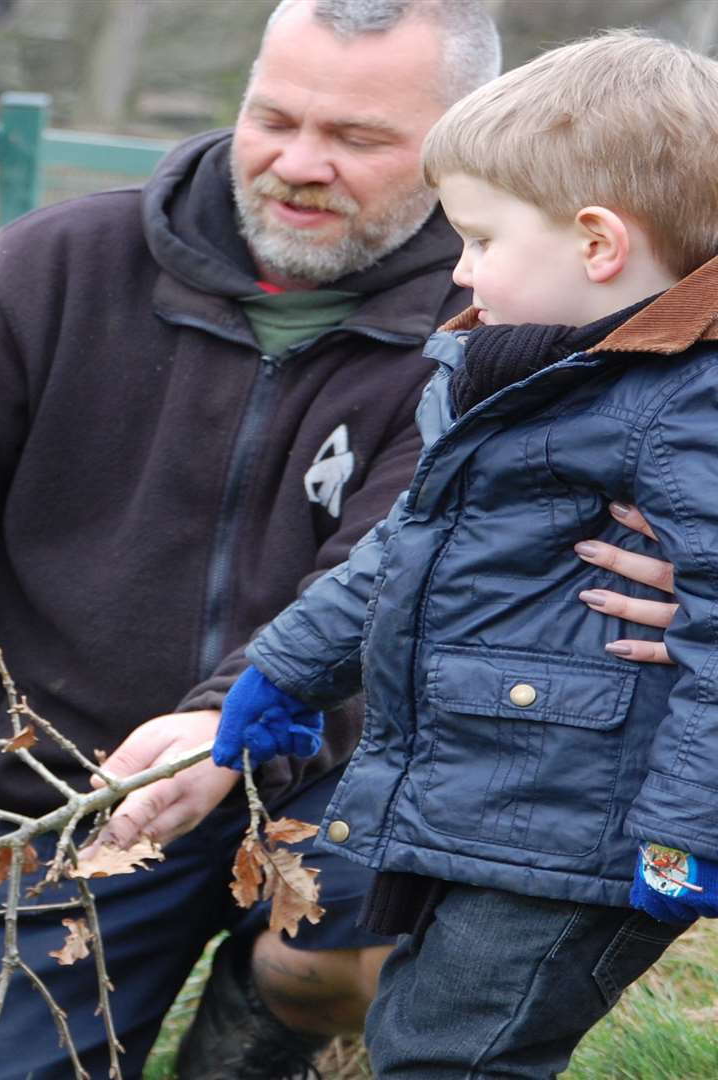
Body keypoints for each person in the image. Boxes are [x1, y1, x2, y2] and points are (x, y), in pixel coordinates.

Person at [0, 2, 503, 1077]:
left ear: (456, 146)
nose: (299, 164)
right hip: (81, 802)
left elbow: (377, 577)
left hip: (348, 793)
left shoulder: (491, 320)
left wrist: (224, 726)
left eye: (355, 138)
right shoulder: (50, 271)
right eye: (274, 119)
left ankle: (278, 1032)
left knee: (378, 959)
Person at [216, 30, 718, 1077]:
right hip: (506, 793)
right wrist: (291, 660)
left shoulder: (682, 408)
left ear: (597, 245)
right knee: (423, 1028)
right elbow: (413, 541)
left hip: (595, 826)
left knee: (455, 1052)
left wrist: (687, 834)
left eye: (481, 238)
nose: (459, 268)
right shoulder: (525, 369)